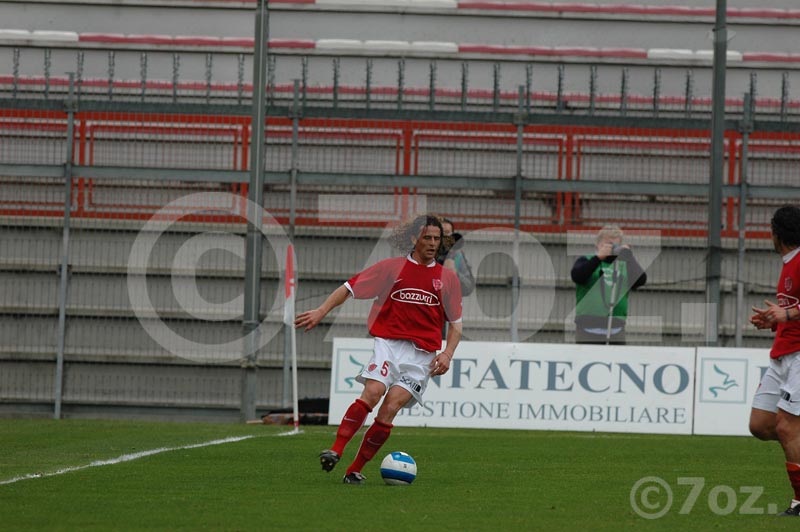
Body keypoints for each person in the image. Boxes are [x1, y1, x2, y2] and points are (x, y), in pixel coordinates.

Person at [294, 214, 463, 485]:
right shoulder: (391, 268)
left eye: (437, 239)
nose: (433, 243)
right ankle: (336, 450)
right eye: (427, 238)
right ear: (414, 238)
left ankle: (354, 470)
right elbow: (348, 288)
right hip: (389, 345)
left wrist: (447, 354)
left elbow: (456, 325)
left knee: (389, 409)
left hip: (421, 357)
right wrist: (321, 311)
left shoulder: (448, 279)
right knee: (373, 392)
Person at [748, 205, 800, 517]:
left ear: (776, 233)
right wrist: (774, 321)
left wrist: (788, 314)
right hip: (782, 354)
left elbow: (793, 311)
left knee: (786, 427)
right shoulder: (789, 262)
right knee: (761, 424)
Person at [570, 224, 647, 344]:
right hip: (587, 329)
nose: (610, 248)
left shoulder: (624, 265)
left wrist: (629, 257)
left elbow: (641, 280)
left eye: (614, 245)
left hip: (616, 329)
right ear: (598, 244)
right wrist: (598, 258)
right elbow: (577, 276)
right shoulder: (586, 260)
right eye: (607, 244)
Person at [437, 218, 475, 297]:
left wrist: (455, 273)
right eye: (441, 233)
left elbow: (468, 287)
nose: (444, 236)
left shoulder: (458, 255)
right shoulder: (425, 253)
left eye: (447, 233)